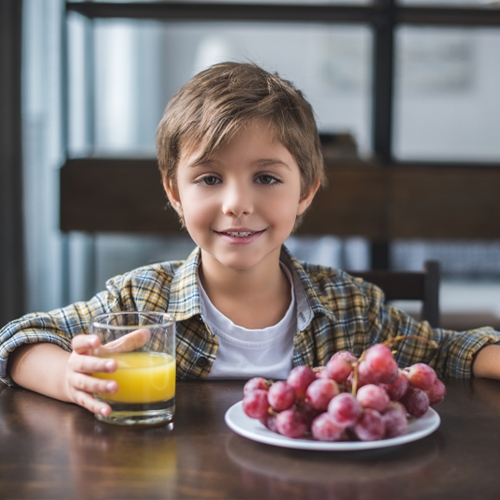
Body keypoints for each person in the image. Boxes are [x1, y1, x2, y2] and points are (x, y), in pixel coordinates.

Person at [1, 62, 500, 419]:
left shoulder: (351, 306)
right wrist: (69, 376)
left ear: (305, 191)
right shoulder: (139, 300)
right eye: (210, 179)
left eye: (266, 178)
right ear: (174, 192)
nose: (237, 203)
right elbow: (15, 341)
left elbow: (447, 351)